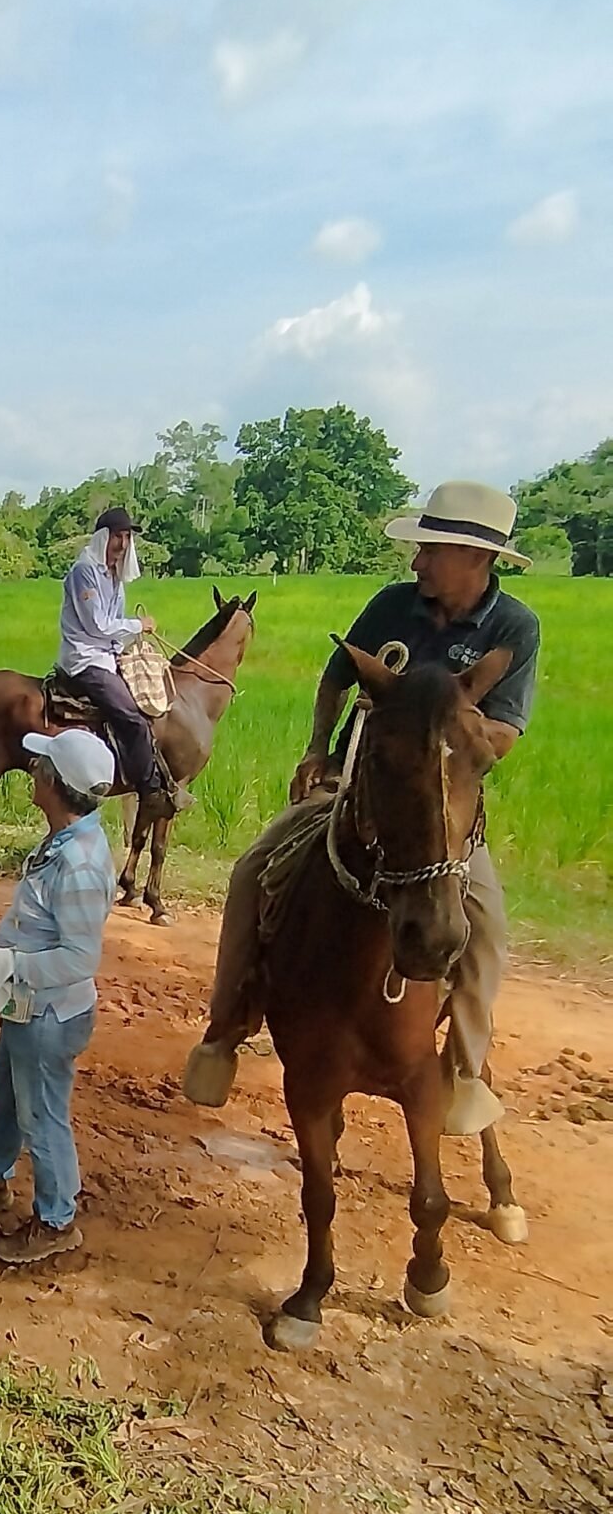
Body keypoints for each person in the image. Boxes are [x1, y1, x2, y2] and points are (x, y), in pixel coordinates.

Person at [184, 482, 540, 1135]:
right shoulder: (391, 606)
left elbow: (505, 734)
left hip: (440, 811)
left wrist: (443, 731)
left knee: (485, 927)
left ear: (475, 557)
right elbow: (335, 677)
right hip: (356, 785)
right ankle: (225, 1026)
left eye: (430, 550)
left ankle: (464, 1068)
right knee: (253, 870)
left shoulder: (514, 627)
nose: (417, 562)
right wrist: (317, 748)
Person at [0, 727, 118, 1266]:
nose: (32, 769)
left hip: (50, 1014)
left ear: (55, 784)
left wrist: (4, 966)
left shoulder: (79, 865)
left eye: (41, 766)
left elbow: (79, 959)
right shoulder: (63, 842)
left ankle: (56, 1221)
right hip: (30, 1006)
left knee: (43, 1115)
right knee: (7, 1090)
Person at [57, 507, 180, 818]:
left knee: (149, 701)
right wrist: (138, 626)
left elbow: (112, 625)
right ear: (103, 538)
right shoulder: (84, 571)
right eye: (117, 536)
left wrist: (123, 647)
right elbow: (96, 624)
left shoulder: (114, 576)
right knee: (132, 717)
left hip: (106, 656)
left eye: (126, 537)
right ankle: (150, 791)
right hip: (85, 659)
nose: (122, 544)